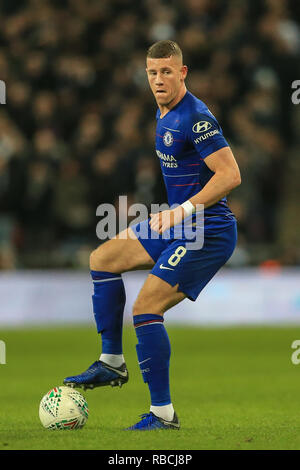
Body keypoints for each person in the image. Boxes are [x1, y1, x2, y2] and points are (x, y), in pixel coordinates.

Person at [63, 40, 241, 431]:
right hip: (179, 223)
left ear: (183, 72)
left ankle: (163, 414)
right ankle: (111, 362)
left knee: (145, 309)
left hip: (206, 231)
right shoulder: (164, 112)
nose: (158, 79)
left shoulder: (195, 117)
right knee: (103, 259)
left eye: (166, 71)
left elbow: (230, 175)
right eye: (152, 72)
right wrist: (156, 219)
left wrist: (181, 211)